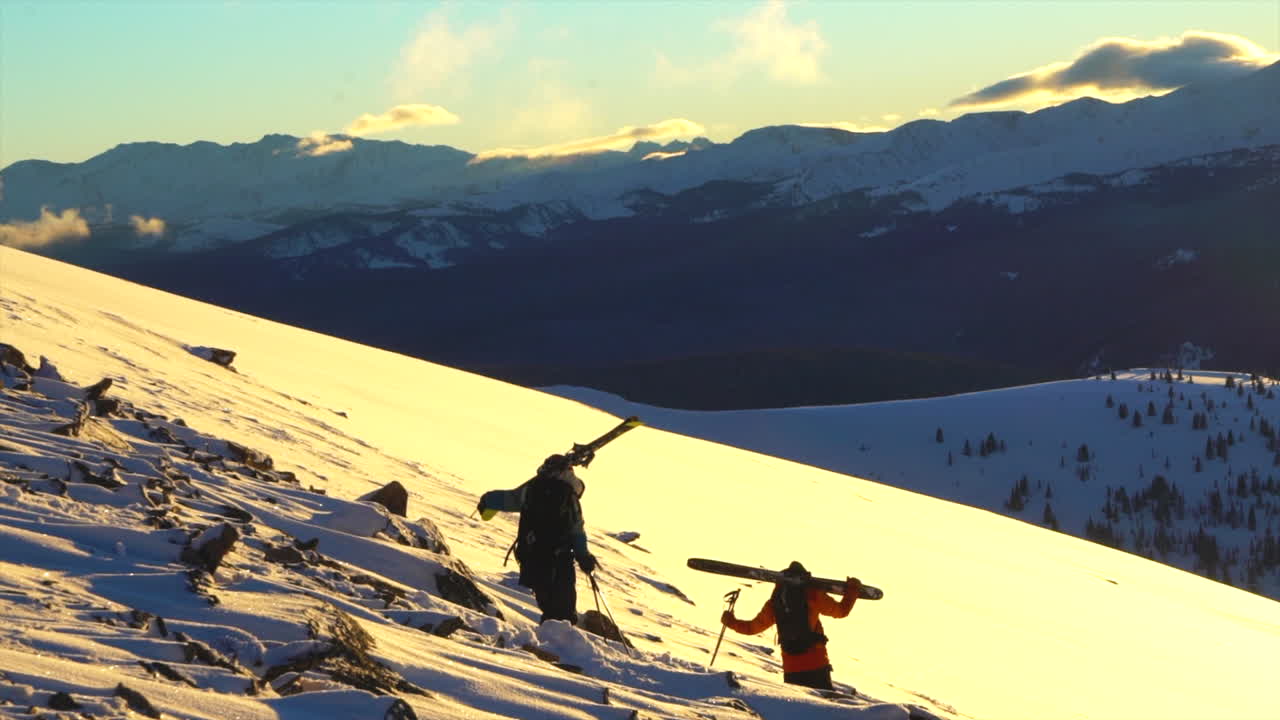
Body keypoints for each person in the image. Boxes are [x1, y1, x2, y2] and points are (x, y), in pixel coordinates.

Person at [477, 454, 598, 624]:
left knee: (547, 605)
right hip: (559, 560)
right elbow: (576, 529)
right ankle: (558, 642)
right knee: (564, 611)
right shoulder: (568, 495)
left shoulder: (532, 488)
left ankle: (548, 638)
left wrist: (487, 500)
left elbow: (510, 499)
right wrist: (584, 557)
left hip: (532, 556)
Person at [720, 561, 860, 691]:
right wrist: (852, 589)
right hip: (816, 664)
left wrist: (731, 621)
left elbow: (752, 628)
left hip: (792, 668)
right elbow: (841, 611)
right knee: (824, 711)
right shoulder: (812, 594)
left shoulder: (776, 601)